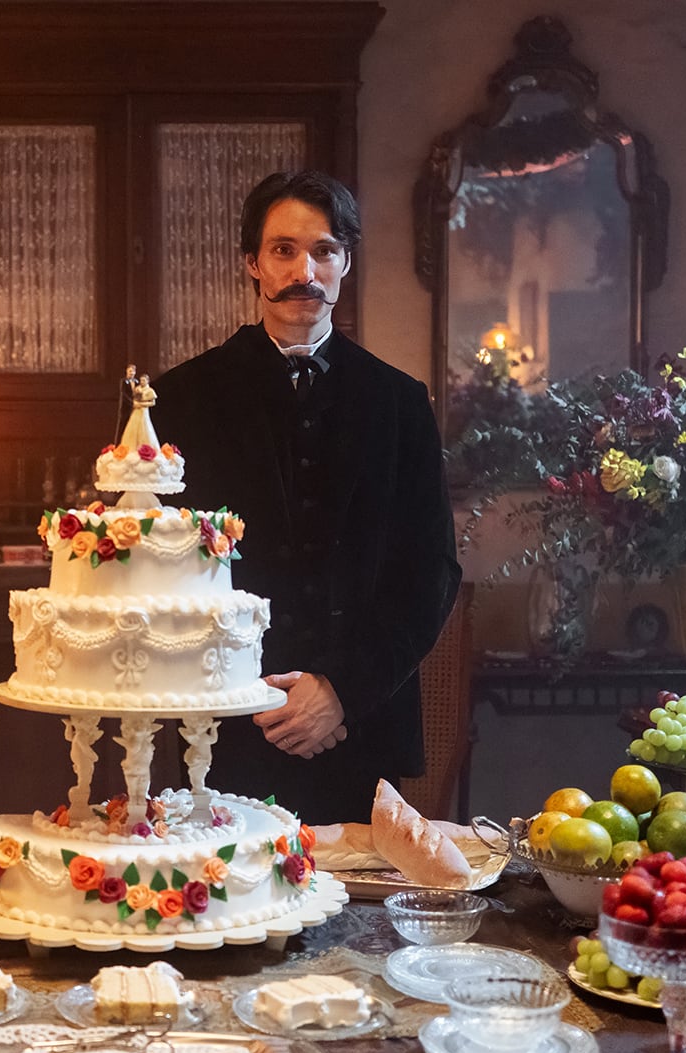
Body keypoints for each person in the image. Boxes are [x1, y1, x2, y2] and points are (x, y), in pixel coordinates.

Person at [151, 170, 460, 824]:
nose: (305, 269)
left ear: (346, 263)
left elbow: (429, 572)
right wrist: (253, 697)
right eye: (284, 250)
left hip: (361, 728)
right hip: (229, 728)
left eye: (324, 250)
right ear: (253, 265)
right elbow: (159, 576)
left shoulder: (400, 404)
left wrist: (340, 693)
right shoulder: (176, 400)